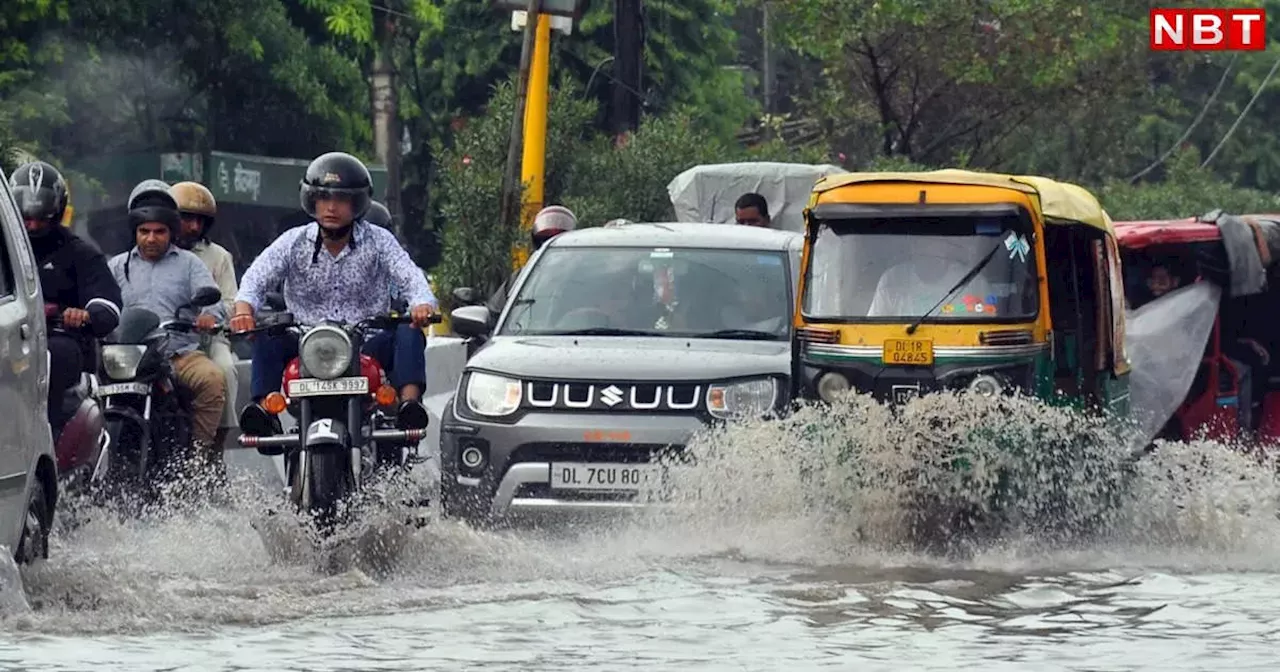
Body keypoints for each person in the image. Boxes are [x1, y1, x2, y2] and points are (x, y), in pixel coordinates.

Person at [230, 152, 437, 408]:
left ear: (357, 203)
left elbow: (411, 277)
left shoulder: (380, 240)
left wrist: (422, 304)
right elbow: (255, 279)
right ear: (311, 200)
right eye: (323, 198)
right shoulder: (292, 241)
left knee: (409, 330)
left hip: (367, 344)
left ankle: (409, 405)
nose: (331, 207)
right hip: (305, 344)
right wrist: (243, 310)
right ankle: (263, 410)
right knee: (266, 333)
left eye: (341, 199)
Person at [107, 180, 228, 465]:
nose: (151, 239)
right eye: (144, 231)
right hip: (128, 360)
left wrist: (208, 316)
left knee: (213, 380)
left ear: (171, 232)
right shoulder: (116, 266)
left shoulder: (189, 264)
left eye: (159, 232)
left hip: (179, 355)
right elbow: (103, 304)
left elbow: (216, 303)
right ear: (135, 232)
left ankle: (196, 464)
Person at [9, 161, 122, 433]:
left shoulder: (80, 253)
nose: (33, 225)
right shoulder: (4, 253)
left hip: (60, 340)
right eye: (26, 218)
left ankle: (44, 433)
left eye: (41, 218)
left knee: (48, 359)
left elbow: (109, 306)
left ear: (57, 213)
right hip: (9, 338)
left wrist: (85, 315)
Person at [171, 181, 239, 454]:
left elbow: (232, 301)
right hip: (169, 337)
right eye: (186, 218)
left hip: (209, 340)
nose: (194, 227)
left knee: (224, 371)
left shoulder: (218, 256)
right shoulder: (158, 253)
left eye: (200, 220)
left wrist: (211, 316)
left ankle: (214, 445)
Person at [485, 205, 577, 316]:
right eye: (545, 241)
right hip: (524, 332)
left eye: (560, 243)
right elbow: (494, 312)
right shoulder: (522, 277)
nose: (553, 248)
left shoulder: (592, 277)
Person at [866, 237, 993, 317]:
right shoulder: (892, 280)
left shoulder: (974, 282)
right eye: (921, 244)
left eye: (934, 244)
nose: (928, 249)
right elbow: (872, 328)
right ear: (912, 249)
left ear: (946, 248)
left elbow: (989, 327)